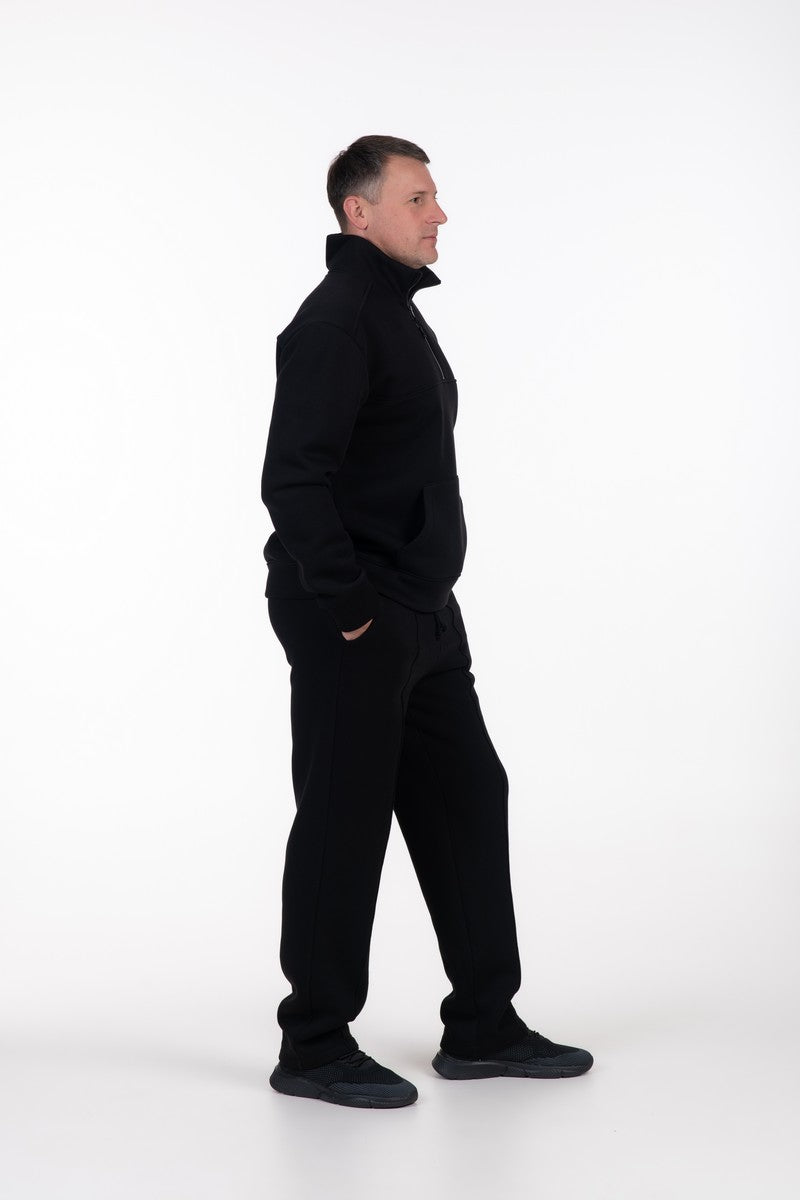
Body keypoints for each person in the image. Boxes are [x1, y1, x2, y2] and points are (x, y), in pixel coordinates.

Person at [260, 134, 593, 1108]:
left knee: (467, 796)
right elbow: (292, 479)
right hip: (353, 615)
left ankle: (482, 1025)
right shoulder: (335, 322)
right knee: (344, 819)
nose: (438, 213)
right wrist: (351, 605)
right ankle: (313, 1044)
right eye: (417, 198)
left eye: (434, 196)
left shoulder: (395, 316)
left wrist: (416, 595)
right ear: (357, 212)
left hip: (423, 611)